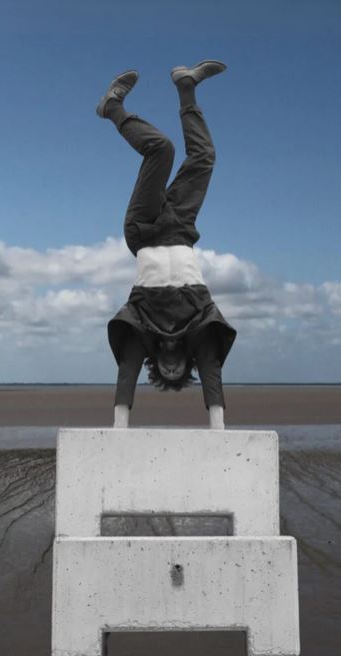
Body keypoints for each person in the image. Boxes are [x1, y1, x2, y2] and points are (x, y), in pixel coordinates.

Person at [96, 60, 237, 430]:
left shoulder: (141, 326)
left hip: (143, 230)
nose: (172, 367)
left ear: (155, 366)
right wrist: (219, 431)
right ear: (185, 365)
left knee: (161, 149)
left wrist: (118, 431)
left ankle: (112, 109)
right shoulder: (200, 323)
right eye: (179, 372)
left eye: (166, 371)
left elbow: (126, 375)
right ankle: (187, 86)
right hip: (180, 227)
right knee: (204, 159)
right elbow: (213, 375)